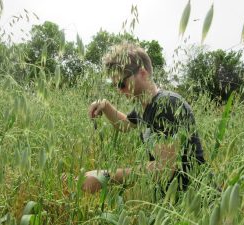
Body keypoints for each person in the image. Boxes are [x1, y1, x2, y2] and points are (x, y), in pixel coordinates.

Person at [83, 42, 205, 194]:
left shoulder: (166, 105)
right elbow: (125, 125)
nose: (120, 91)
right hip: (175, 201)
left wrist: (105, 176)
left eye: (122, 84)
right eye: (115, 86)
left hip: (197, 200)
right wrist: (106, 106)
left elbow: (164, 169)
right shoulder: (144, 106)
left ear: (142, 73)